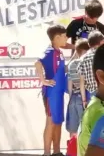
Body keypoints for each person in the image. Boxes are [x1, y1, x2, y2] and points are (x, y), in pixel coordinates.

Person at [34, 25, 68, 156]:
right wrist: (43, 81)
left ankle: (57, 151)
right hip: (51, 94)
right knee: (51, 121)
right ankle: (47, 153)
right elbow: (37, 62)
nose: (66, 39)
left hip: (59, 93)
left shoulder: (59, 52)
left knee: (58, 121)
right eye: (64, 36)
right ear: (57, 37)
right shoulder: (50, 52)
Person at [66, 38, 90, 136]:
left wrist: (71, 98)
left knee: (73, 128)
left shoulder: (72, 64)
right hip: (83, 97)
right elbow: (83, 82)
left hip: (73, 98)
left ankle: (72, 149)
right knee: (84, 127)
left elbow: (70, 84)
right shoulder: (86, 63)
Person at [78, 31, 104, 101]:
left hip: (91, 94)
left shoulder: (82, 59)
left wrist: (84, 100)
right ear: (101, 42)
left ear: (89, 44)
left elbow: (82, 82)